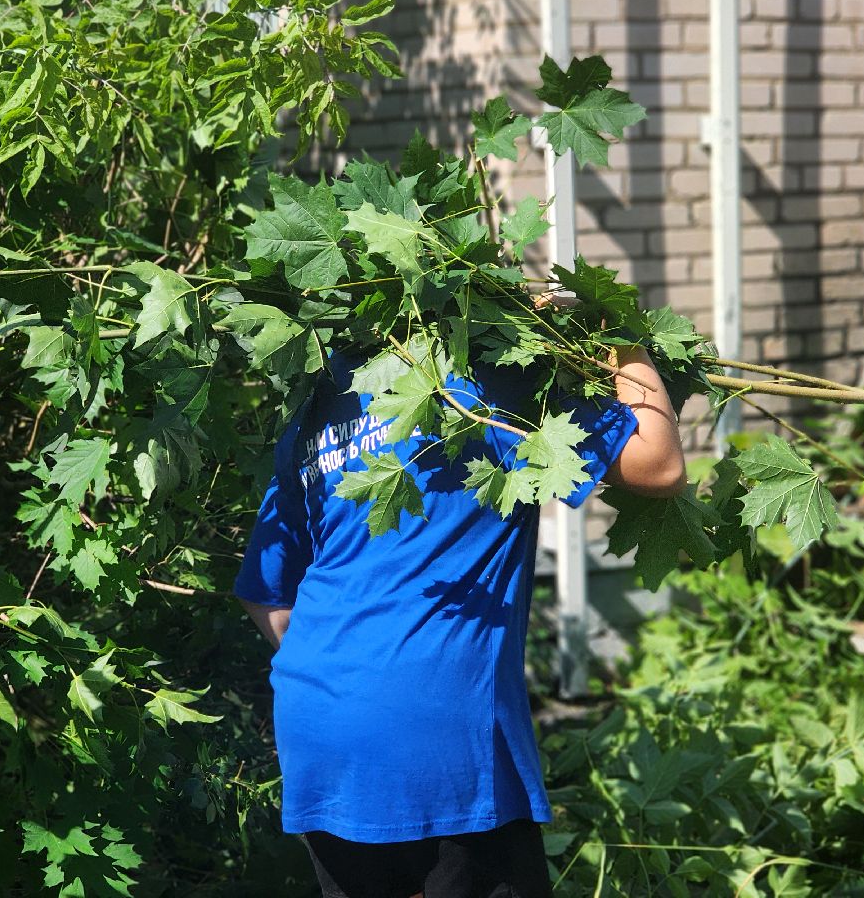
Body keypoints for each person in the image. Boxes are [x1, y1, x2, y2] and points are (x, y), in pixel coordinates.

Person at [235, 340, 687, 898]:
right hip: (443, 735)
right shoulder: (485, 380)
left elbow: (265, 591)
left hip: (319, 724)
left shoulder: (326, 399)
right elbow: (658, 463)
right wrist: (620, 341)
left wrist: (353, 680)